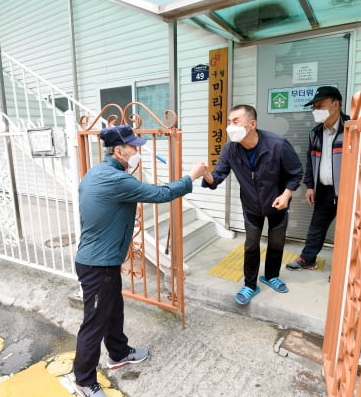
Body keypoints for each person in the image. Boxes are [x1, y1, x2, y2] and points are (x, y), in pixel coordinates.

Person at [73, 125, 207, 397]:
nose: (139, 151)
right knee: (94, 322)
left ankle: (119, 353)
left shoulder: (99, 172)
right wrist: (192, 176)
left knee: (113, 310)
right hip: (97, 265)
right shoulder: (115, 179)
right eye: (134, 147)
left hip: (102, 261)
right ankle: (84, 381)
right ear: (120, 150)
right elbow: (161, 194)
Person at [201, 104, 303, 305]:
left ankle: (271, 276)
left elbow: (296, 173)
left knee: (276, 242)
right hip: (251, 206)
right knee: (251, 245)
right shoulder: (231, 148)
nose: (230, 126)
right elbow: (218, 176)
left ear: (252, 124)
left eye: (235, 121)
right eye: (229, 122)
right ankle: (250, 285)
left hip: (277, 203)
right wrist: (206, 174)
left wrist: (286, 195)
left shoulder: (277, 144)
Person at [286, 86, 349, 271]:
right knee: (317, 226)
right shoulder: (315, 133)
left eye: (320, 105)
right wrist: (310, 186)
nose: (316, 110)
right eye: (314, 107)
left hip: (349, 189)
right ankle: (308, 259)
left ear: (336, 104)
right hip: (324, 189)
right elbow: (310, 160)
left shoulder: (353, 128)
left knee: (348, 230)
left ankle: (344, 269)